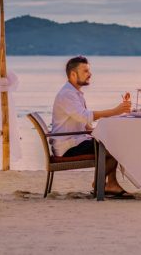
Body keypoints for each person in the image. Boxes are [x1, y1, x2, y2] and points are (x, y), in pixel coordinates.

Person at [51, 55, 131, 195]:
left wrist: (99, 131)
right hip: (69, 146)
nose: (90, 74)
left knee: (113, 141)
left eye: (89, 71)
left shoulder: (74, 93)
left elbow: (84, 123)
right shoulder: (67, 94)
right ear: (73, 74)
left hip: (76, 140)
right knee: (115, 146)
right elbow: (84, 116)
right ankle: (98, 182)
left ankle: (111, 184)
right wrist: (115, 111)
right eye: (85, 71)